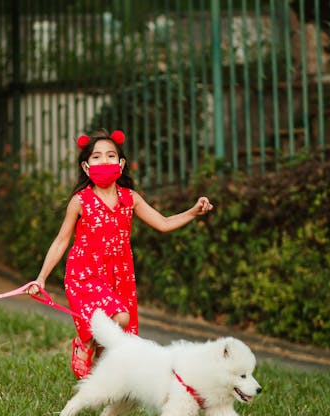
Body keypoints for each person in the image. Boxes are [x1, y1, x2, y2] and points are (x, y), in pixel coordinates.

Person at [28, 129, 213, 378]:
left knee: (115, 341)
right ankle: (85, 344)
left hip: (119, 276)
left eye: (110, 155)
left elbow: (164, 223)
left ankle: (101, 381)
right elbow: (61, 241)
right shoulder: (80, 201)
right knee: (121, 317)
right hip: (85, 273)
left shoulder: (130, 198)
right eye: (96, 157)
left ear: (121, 163)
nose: (104, 161)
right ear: (85, 166)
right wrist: (40, 278)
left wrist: (192, 212)